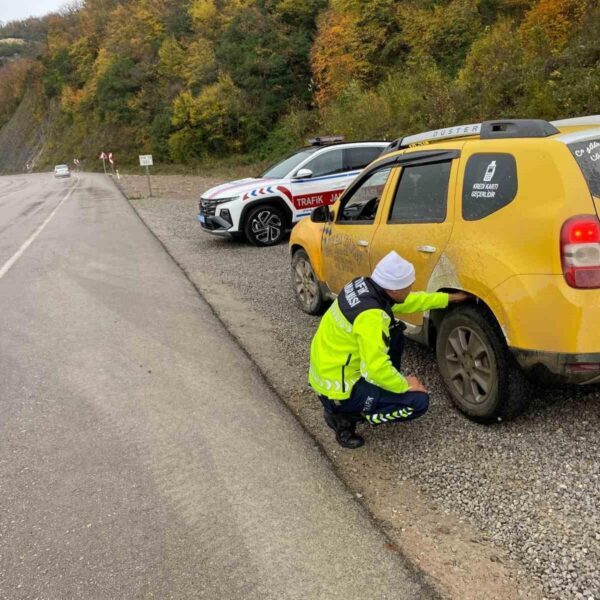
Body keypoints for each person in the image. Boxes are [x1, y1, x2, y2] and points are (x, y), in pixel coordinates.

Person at [309, 251, 469, 449]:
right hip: (337, 389)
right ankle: (343, 417)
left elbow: (409, 301)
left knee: (395, 333)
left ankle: (365, 398)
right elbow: (375, 367)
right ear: (393, 289)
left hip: (328, 368)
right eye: (408, 286)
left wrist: (447, 298)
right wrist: (404, 385)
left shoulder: (365, 287)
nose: (411, 289)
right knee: (418, 402)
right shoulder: (371, 316)